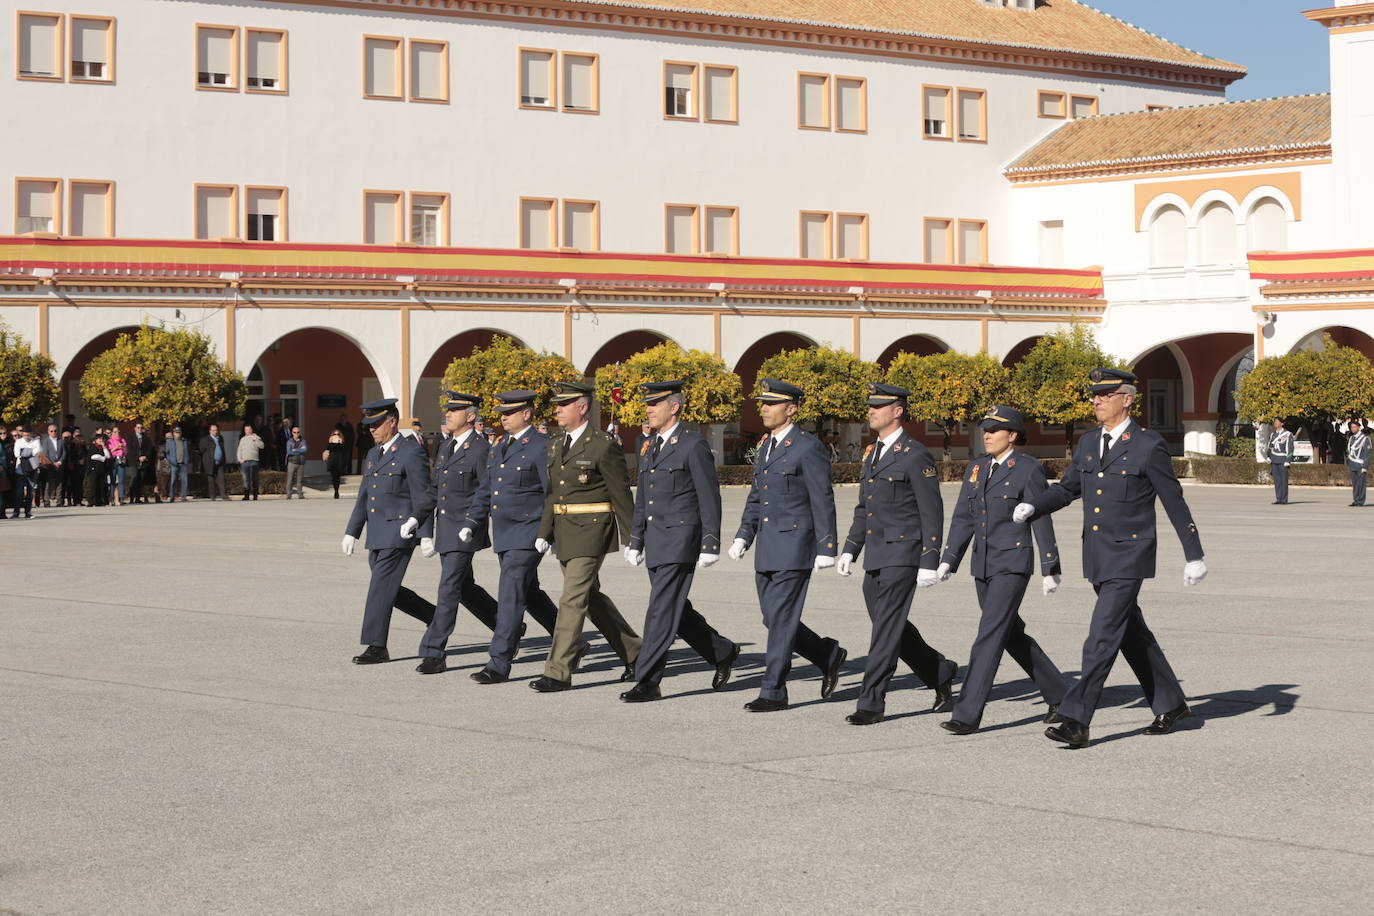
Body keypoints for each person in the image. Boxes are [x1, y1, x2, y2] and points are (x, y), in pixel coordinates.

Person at [1014, 368, 1208, 749]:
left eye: (1106, 394)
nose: (1097, 400)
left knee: (1101, 637)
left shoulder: (1147, 446)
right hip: (1098, 555)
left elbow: (1173, 500)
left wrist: (1194, 553)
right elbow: (1069, 489)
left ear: (1128, 399)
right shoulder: (1089, 443)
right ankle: (1172, 703)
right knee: (1131, 633)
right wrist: (1034, 507)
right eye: (1094, 395)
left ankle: (1076, 718)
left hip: (1130, 555)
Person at [936, 406, 1067, 735]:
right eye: (985, 429)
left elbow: (1040, 515)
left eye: (996, 429)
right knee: (1009, 633)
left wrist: (1050, 566)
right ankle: (1063, 695)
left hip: (1012, 563)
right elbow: (964, 517)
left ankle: (966, 714)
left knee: (989, 635)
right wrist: (949, 559)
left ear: (1013, 435)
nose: (988, 434)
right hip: (982, 564)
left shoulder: (1026, 469)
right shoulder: (978, 468)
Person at [835, 383, 957, 726]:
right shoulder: (872, 453)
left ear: (898, 410)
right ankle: (940, 671)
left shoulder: (914, 454)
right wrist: (850, 548)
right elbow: (865, 508)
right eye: (870, 405)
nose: (871, 410)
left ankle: (871, 701)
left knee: (885, 629)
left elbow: (932, 511)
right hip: (875, 553)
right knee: (891, 626)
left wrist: (929, 559)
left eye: (879, 405)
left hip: (903, 554)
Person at [728, 379, 848, 712]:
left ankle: (774, 691)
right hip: (767, 545)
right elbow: (757, 496)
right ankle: (826, 654)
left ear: (791, 409)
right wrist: (743, 535)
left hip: (795, 545)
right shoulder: (767, 445)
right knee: (772, 618)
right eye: (762, 403)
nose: (763, 408)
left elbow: (822, 497)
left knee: (780, 619)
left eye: (771, 403)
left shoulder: (807, 446)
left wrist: (827, 545)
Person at [620, 381, 740, 702]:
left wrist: (711, 541)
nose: (648, 408)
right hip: (656, 539)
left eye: (655, 403)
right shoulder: (649, 445)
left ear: (674, 407)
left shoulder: (692, 445)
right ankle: (722, 651)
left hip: (680, 539)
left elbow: (708, 496)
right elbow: (643, 496)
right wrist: (635, 539)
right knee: (675, 610)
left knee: (659, 610)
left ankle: (648, 680)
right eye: (647, 403)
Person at [527, 381, 643, 692]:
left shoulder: (602, 444)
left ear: (582, 407)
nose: (558, 410)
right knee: (590, 599)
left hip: (592, 530)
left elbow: (621, 495)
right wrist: (545, 532)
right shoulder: (555, 444)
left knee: (571, 599)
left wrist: (634, 538)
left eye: (564, 404)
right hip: (565, 532)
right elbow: (554, 493)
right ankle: (636, 653)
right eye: (557, 404)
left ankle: (558, 671)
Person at [463, 392, 568, 685]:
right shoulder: (499, 447)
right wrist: (472, 520)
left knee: (510, 594)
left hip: (528, 533)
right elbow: (486, 488)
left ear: (527, 414)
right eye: (501, 412)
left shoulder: (540, 446)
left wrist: (550, 532)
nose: (503, 417)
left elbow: (553, 493)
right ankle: (570, 641)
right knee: (529, 593)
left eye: (510, 412)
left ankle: (498, 663)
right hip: (505, 534)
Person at [341, 398, 437, 665]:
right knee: (388, 590)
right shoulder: (373, 454)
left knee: (379, 588)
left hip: (400, 532)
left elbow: (423, 495)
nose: (371, 429)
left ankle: (376, 645)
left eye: (375, 424)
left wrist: (425, 533)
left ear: (392, 422)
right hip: (377, 534)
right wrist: (352, 531)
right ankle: (434, 616)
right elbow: (364, 497)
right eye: (368, 425)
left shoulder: (410, 451)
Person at [413, 393, 503, 674]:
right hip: (446, 529)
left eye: (455, 410)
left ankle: (434, 651)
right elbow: (435, 488)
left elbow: (484, 491)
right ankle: (507, 625)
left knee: (448, 588)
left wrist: (472, 523)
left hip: (464, 530)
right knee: (464, 588)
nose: (448, 414)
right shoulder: (446, 446)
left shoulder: (479, 449)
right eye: (448, 410)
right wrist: (417, 518)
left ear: (471, 416)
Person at [11, 426, 41, 518]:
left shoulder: (36, 441)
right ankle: (16, 512)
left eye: (28, 435)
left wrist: (24, 451)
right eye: (24, 435)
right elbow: (17, 454)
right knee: (19, 491)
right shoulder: (18, 442)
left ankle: (28, 512)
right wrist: (30, 451)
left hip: (32, 468)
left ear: (31, 434)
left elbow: (37, 451)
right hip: (20, 469)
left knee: (30, 491)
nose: (26, 437)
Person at [127, 421, 156, 503]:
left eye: (141, 428)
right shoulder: (130, 437)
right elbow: (130, 449)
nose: (140, 429)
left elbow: (149, 448)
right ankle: (132, 498)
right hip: (134, 462)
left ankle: (137, 498)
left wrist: (145, 456)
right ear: (135, 428)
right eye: (138, 427)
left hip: (143, 462)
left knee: (141, 480)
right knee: (134, 478)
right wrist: (137, 457)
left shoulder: (146, 438)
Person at [1268, 417, 1294, 505]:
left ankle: (1284, 499)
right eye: (1274, 421)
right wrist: (1269, 456)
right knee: (1277, 481)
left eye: (1277, 422)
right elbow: (1270, 446)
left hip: (1283, 460)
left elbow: (1290, 448)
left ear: (1282, 423)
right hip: (1274, 460)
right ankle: (1278, 498)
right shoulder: (1273, 435)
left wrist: (1288, 460)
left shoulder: (1288, 434)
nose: (1275, 423)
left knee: (1283, 481)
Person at [200, 423, 228, 500]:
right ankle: (213, 496)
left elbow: (222, 449)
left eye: (216, 430)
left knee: (221, 479)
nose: (215, 432)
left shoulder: (220, 438)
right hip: (209, 463)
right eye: (213, 430)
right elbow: (201, 450)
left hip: (220, 462)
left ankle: (224, 496)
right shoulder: (205, 439)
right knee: (211, 481)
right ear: (210, 431)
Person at [40, 423, 66, 507]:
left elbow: (64, 453)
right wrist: (52, 463)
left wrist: (59, 462)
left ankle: (59, 501)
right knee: (48, 484)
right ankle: (47, 501)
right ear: (48, 432)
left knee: (59, 484)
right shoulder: (45, 441)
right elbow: (45, 454)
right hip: (49, 466)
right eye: (51, 431)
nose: (53, 432)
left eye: (55, 431)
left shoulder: (61, 441)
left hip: (59, 465)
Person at [1344, 419, 1368, 507]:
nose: (1353, 429)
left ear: (1359, 427)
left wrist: (1365, 466)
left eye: (1354, 427)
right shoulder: (1351, 438)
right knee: (1355, 484)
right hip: (1352, 464)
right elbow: (1349, 451)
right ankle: (1356, 500)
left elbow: (1367, 454)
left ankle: (1360, 501)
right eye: (1351, 427)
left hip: (1360, 465)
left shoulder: (1365, 439)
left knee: (1361, 484)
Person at [237, 423, 264, 500]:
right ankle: (246, 496)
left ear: (252, 430)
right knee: (246, 479)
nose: (248, 431)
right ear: (244, 431)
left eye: (249, 430)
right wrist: (239, 459)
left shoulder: (256, 437)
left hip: (254, 461)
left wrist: (255, 440)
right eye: (246, 430)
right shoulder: (242, 439)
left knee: (255, 479)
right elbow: (239, 450)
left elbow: (262, 446)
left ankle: (255, 496)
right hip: (245, 462)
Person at [165, 427, 190, 502]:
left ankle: (183, 496)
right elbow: (167, 453)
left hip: (183, 463)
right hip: (174, 464)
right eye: (176, 432)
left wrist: (187, 459)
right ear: (173, 433)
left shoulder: (184, 441)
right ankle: (172, 496)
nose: (177, 434)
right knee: (173, 481)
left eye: (179, 432)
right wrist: (171, 460)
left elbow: (188, 451)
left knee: (184, 481)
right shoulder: (170, 442)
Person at [84, 433, 110, 507]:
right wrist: (102, 458)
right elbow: (93, 456)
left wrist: (104, 448)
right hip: (93, 469)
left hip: (101, 470)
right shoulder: (92, 447)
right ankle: (91, 501)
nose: (100, 440)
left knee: (100, 485)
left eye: (101, 439)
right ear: (95, 440)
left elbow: (108, 456)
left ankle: (99, 501)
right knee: (93, 486)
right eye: (99, 439)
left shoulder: (103, 448)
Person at [324, 428, 349, 498]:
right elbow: (328, 448)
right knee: (334, 477)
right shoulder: (330, 443)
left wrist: (339, 442)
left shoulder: (342, 443)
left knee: (338, 477)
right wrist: (331, 442)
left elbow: (344, 450)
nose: (336, 435)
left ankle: (337, 490)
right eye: (334, 434)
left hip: (340, 462)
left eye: (338, 434)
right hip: (332, 462)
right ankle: (336, 491)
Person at [285, 426, 308, 498]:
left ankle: (300, 494)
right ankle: (289, 494)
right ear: (292, 433)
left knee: (300, 479)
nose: (296, 434)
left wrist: (295, 450)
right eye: (294, 432)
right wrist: (299, 449)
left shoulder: (303, 441)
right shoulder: (289, 441)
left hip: (301, 462)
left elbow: (305, 450)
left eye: (298, 432)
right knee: (290, 479)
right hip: (292, 462)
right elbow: (289, 452)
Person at [107, 424, 127, 506]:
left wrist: (123, 448)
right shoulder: (109, 441)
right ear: (112, 433)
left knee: (121, 480)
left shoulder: (122, 440)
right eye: (115, 432)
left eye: (118, 431)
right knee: (113, 480)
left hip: (121, 460)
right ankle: (111, 498)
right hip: (113, 460)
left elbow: (126, 450)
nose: (117, 433)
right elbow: (109, 451)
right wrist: (117, 447)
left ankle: (121, 498)